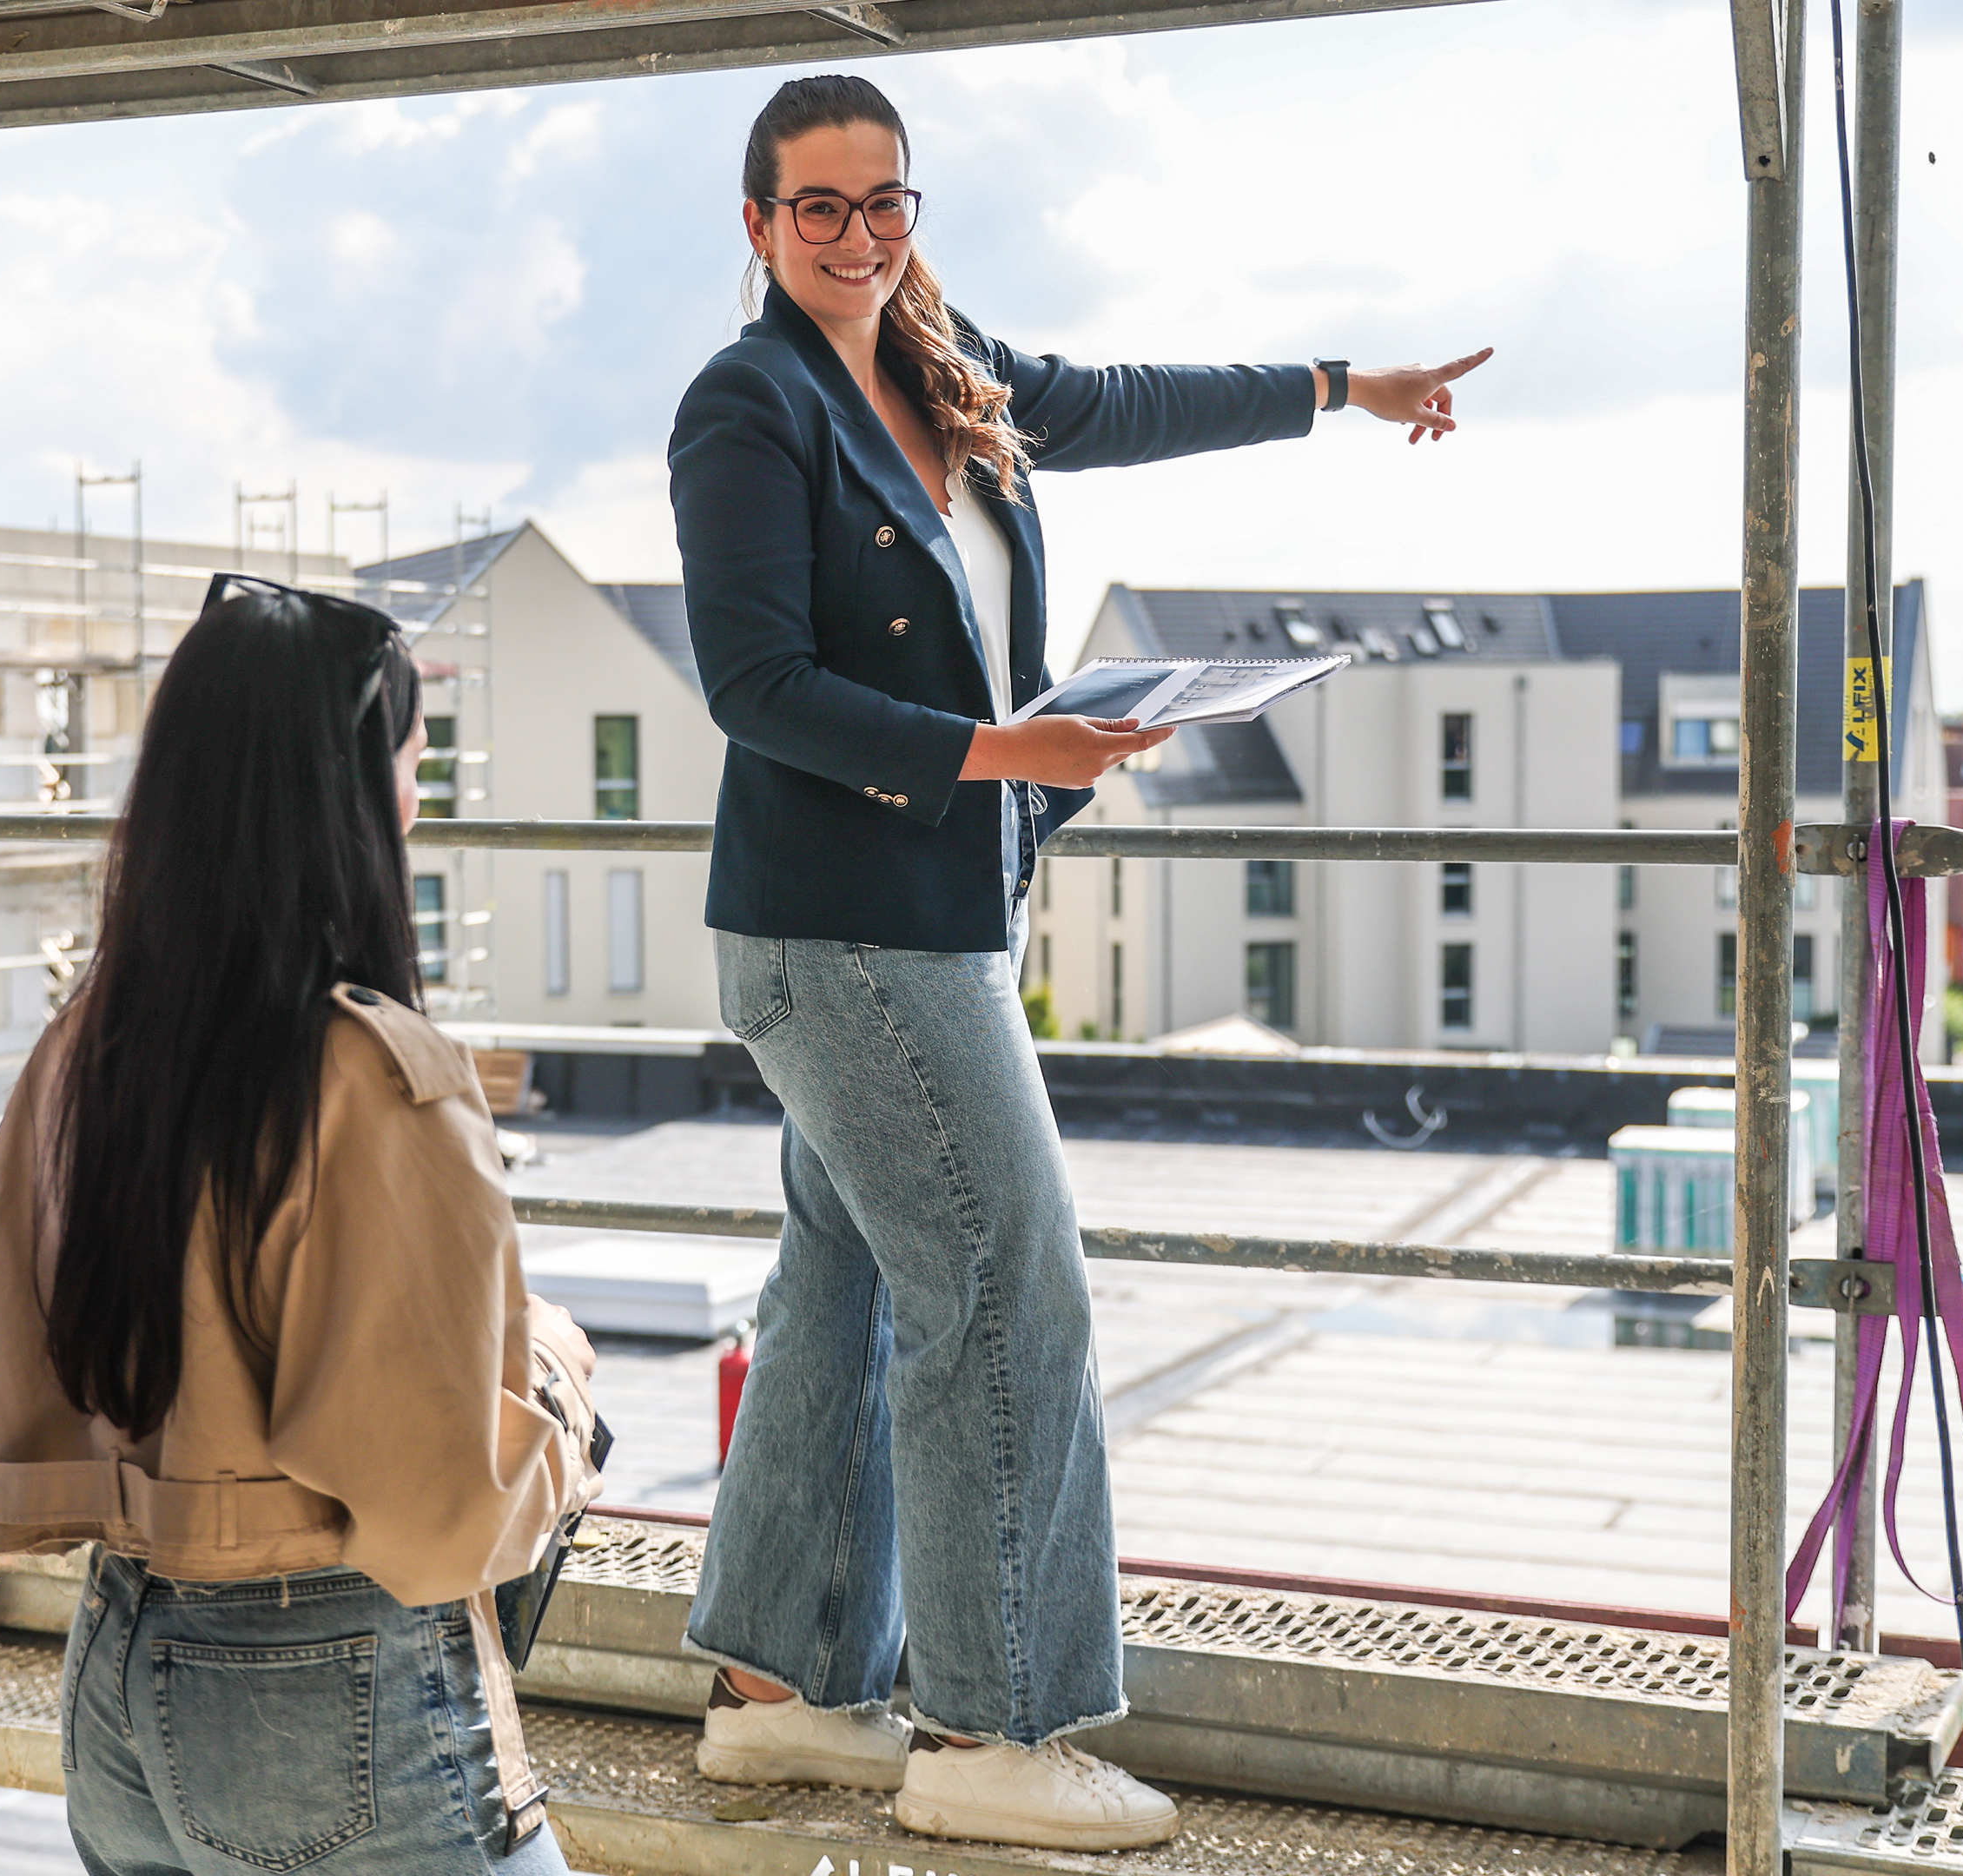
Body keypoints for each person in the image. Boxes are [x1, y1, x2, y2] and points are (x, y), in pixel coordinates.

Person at [671, 72, 1492, 1853]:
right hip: (847, 930)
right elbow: (753, 686)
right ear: (759, 223)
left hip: (934, 912)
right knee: (1005, 1282)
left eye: (886, 200)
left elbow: (1126, 401)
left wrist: (1346, 389)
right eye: (819, 207)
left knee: (848, 1287)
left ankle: (783, 1694)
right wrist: (999, 753)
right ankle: (993, 1730)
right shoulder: (749, 403)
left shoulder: (942, 367)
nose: (859, 236)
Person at [0, 577, 606, 1876]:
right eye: (414, 762)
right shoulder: (376, 1077)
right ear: (350, 789)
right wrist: (556, 1378)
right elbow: (442, 1511)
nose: (418, 799)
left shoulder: (82, 1046)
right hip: (328, 1691)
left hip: (116, 1673)